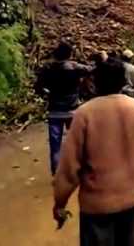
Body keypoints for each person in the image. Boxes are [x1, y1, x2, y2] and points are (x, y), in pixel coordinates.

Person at [53, 60, 134, 246]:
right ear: (123, 81)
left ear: (96, 81)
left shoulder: (84, 114)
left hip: (97, 208)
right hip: (131, 202)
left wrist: (60, 203)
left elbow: (69, 168)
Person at [35, 41, 92, 175]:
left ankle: (57, 173)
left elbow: (38, 87)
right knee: (77, 141)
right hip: (72, 110)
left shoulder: (47, 68)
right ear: (70, 54)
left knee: (55, 146)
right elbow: (91, 69)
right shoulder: (75, 67)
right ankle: (78, 169)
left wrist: (46, 92)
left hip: (54, 110)